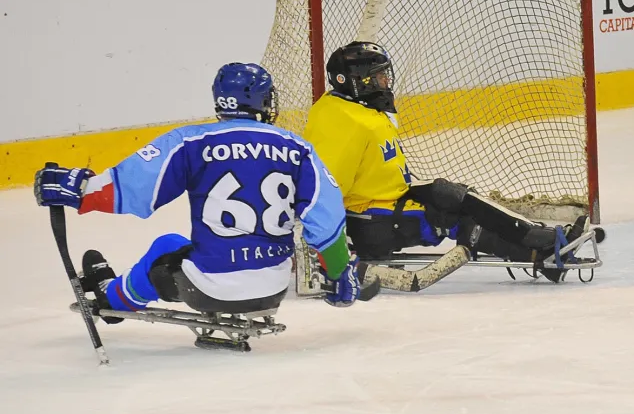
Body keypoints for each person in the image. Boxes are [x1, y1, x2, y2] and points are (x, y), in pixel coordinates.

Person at [33, 63, 378, 319]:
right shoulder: (297, 147)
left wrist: (76, 191)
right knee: (181, 251)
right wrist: (339, 273)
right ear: (262, 100)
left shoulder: (191, 141)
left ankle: (112, 300)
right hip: (274, 289)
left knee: (166, 248)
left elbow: (131, 187)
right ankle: (116, 294)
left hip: (210, 288)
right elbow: (327, 219)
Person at [302, 41, 599, 283]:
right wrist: (329, 249)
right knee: (455, 221)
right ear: (356, 81)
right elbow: (324, 191)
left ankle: (540, 238)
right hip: (369, 221)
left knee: (452, 194)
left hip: (386, 199)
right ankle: (544, 250)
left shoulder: (358, 109)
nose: (385, 81)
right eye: (379, 76)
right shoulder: (339, 120)